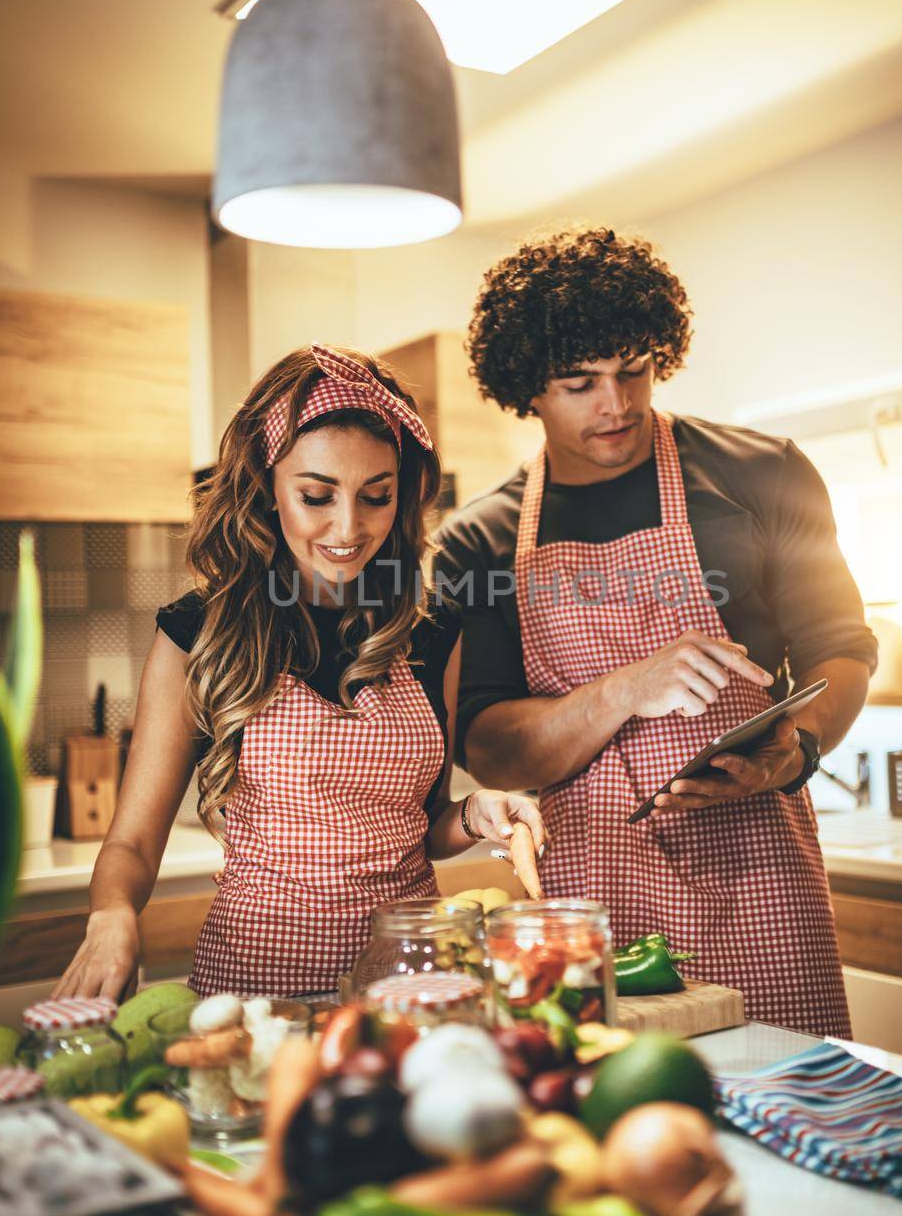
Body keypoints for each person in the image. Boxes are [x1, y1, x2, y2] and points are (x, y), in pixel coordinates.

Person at [436, 227, 878, 1036]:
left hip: (758, 872)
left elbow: (841, 648)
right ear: (526, 388)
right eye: (579, 383)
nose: (617, 404)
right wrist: (628, 687)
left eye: (633, 371)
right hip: (592, 887)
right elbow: (489, 747)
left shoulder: (760, 472)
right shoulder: (482, 537)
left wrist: (795, 750)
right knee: (620, 1122)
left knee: (796, 1103)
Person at [56, 343, 544, 1001]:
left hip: (410, 991)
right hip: (258, 1000)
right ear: (267, 488)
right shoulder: (199, 634)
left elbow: (421, 826)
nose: (348, 527)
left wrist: (477, 812)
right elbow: (134, 846)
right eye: (317, 495)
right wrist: (112, 915)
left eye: (376, 496)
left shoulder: (433, 631)